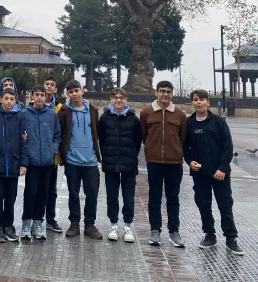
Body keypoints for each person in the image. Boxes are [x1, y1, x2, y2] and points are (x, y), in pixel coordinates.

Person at [184, 90, 243, 255]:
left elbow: (227, 146)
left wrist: (222, 168)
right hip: (200, 173)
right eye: (195, 100)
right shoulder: (189, 123)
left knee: (225, 205)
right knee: (203, 204)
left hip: (220, 173)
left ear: (207, 102)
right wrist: (190, 161)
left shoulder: (218, 122)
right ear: (192, 103)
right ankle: (209, 234)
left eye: (202, 99)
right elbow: (185, 147)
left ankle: (231, 238)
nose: (199, 102)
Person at [140, 80, 187, 248]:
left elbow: (183, 138)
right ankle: (155, 230)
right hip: (154, 162)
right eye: (162, 91)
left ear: (172, 94)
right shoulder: (146, 113)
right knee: (155, 197)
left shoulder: (180, 115)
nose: (165, 94)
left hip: (174, 162)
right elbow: (144, 136)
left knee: (173, 198)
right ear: (156, 92)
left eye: (168, 91)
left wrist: (176, 151)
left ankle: (174, 231)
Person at [58, 79, 102, 239]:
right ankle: (74, 223)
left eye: (76, 90)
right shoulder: (63, 112)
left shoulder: (93, 111)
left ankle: (90, 224)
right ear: (67, 94)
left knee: (92, 194)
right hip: (72, 161)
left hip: (90, 161)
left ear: (82, 91)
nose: (74, 94)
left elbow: (97, 133)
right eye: (70, 92)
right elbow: (59, 134)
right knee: (73, 194)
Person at [98, 87, 142, 243]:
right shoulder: (104, 118)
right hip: (111, 162)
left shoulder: (134, 119)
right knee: (112, 196)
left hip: (128, 162)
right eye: (115, 97)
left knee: (128, 196)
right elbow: (101, 139)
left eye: (121, 97)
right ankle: (113, 224)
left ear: (126, 100)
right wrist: (106, 155)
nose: (118, 100)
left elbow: (138, 141)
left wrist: (131, 155)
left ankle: (128, 226)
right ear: (111, 100)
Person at [0, 87, 28, 243]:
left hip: (14, 165)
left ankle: (8, 225)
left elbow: (24, 142)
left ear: (15, 101)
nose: (9, 102)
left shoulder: (20, 117)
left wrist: (23, 163)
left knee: (11, 198)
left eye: (12, 99)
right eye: (6, 99)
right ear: (1, 100)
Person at [20, 85, 61, 241]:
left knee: (43, 193)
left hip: (47, 161)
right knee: (30, 192)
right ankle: (26, 222)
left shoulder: (51, 114)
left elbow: (57, 135)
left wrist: (53, 149)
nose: (39, 97)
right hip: (32, 161)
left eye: (42, 95)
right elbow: (21, 135)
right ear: (32, 96)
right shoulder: (24, 114)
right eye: (36, 94)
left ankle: (38, 222)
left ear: (45, 96)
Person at [43, 75, 63, 233]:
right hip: (35, 157)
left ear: (56, 89)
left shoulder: (60, 108)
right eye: (47, 84)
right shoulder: (32, 105)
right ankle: (34, 219)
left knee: (51, 190)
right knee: (35, 189)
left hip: (53, 156)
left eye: (52, 84)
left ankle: (50, 219)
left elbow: (62, 132)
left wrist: (59, 152)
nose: (49, 86)